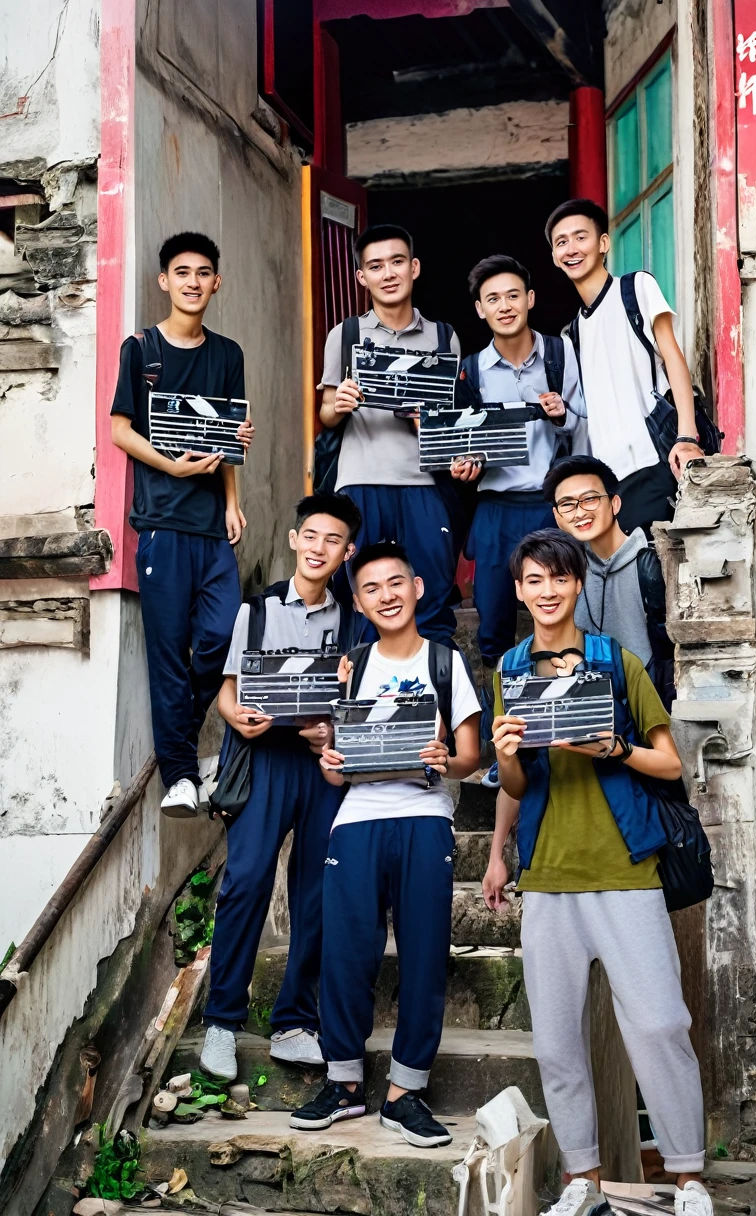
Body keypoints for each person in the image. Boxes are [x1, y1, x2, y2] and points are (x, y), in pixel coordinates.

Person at [482, 530, 711, 1216]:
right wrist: (497, 851)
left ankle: (689, 1178)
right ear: (519, 591)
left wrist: (616, 746)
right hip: (548, 875)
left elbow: (671, 763)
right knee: (556, 1040)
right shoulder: (510, 670)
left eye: (558, 578)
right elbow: (514, 783)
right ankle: (581, 1180)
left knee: (661, 1024)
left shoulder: (619, 661)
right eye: (533, 580)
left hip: (625, 868)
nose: (546, 591)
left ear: (577, 583)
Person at [290, 542, 481, 1148]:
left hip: (424, 817)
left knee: (424, 955)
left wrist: (444, 759)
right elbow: (335, 770)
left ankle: (405, 1094)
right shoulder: (351, 666)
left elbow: (473, 756)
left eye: (396, 583)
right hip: (357, 820)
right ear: (359, 601)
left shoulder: (445, 662)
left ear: (419, 587)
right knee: (346, 952)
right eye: (371, 589)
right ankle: (343, 1084)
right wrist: (331, 761)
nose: (386, 596)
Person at [200, 492, 369, 1081]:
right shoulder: (259, 611)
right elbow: (227, 688)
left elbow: (359, 708)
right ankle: (222, 1022)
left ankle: (296, 1022)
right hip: (265, 759)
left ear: (346, 553)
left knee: (317, 889)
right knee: (246, 881)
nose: (321, 548)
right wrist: (235, 716)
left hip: (321, 766)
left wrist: (333, 726)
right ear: (296, 539)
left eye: (335, 541)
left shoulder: (355, 623)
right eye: (313, 536)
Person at [110, 232, 254, 816]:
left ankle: (182, 749)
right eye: (182, 272)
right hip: (162, 525)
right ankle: (179, 775)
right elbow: (120, 430)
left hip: (211, 527)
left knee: (222, 638)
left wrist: (232, 502)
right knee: (167, 653)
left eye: (204, 273)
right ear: (164, 281)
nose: (193, 282)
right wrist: (170, 464)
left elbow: (230, 436)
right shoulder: (140, 350)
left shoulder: (229, 355)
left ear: (216, 283)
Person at [317, 224, 461, 644]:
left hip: (423, 484)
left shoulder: (443, 336)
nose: (388, 273)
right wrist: (338, 402)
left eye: (397, 262)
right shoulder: (345, 335)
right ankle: (362, 701)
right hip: (359, 483)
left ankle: (441, 702)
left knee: (430, 598)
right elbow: (326, 414)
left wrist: (426, 419)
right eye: (375, 266)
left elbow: (452, 423)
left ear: (414, 268)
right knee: (360, 600)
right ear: (362, 277)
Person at [453, 254, 588, 668]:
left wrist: (563, 414)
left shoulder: (560, 353)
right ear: (480, 309)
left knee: (566, 612)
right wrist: (464, 468)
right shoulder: (471, 370)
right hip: (495, 508)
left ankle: (569, 710)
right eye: (493, 299)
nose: (505, 306)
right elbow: (459, 444)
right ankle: (501, 724)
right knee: (493, 620)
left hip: (552, 505)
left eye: (513, 295)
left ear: (530, 299)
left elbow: (586, 424)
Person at [545, 199, 703, 536]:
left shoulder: (635, 289)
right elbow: (592, 409)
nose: (571, 248)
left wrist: (686, 436)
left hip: (654, 464)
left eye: (580, 237)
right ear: (555, 258)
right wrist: (562, 411)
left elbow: (673, 359)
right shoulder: (571, 332)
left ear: (603, 244)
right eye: (561, 242)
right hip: (610, 484)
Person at [543, 454, 674, 709]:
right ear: (558, 517)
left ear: (614, 503)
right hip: (588, 708)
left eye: (590, 499)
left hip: (650, 704)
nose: (580, 512)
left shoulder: (650, 563)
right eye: (568, 505)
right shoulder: (566, 574)